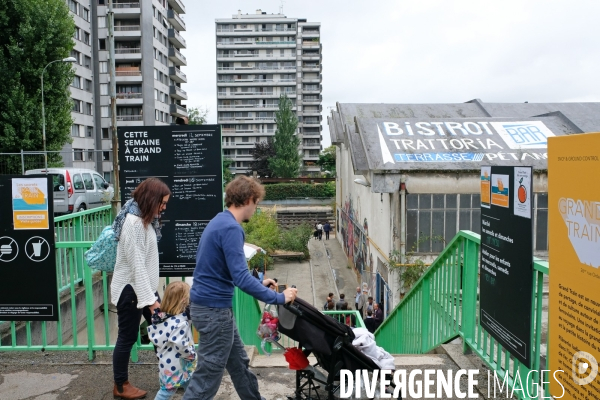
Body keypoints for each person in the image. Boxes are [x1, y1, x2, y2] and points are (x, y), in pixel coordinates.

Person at [183, 176, 298, 400]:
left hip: (209, 309)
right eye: (256, 204)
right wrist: (280, 298)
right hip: (214, 312)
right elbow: (241, 278)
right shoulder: (231, 229)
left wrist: (259, 282)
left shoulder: (219, 221)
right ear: (247, 200)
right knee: (207, 378)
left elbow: (226, 271)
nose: (255, 209)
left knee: (238, 364)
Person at [111, 177, 170, 399]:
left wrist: (151, 296)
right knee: (127, 337)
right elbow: (136, 266)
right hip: (131, 290)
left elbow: (143, 265)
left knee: (161, 332)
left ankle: (171, 375)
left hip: (142, 288)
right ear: (150, 199)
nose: (163, 208)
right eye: (161, 203)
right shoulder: (133, 224)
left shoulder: (144, 220)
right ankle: (120, 386)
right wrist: (152, 300)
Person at [148, 281, 196, 400]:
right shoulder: (180, 323)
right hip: (179, 364)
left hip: (167, 363)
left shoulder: (161, 318)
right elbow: (181, 345)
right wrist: (191, 355)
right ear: (184, 300)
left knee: (191, 386)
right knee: (167, 392)